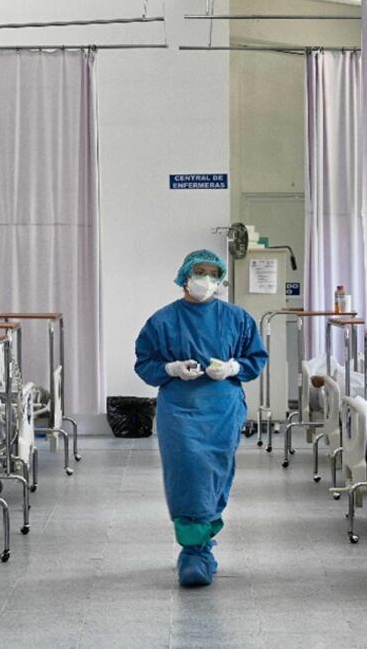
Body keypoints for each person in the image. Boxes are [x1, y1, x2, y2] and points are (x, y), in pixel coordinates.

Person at [134, 249, 269, 587]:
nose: (206, 280)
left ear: (220, 279)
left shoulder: (236, 318)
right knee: (187, 470)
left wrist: (233, 367)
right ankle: (193, 551)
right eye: (200, 273)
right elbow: (144, 362)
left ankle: (204, 544)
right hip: (179, 410)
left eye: (213, 274)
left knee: (214, 473)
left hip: (223, 408)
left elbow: (256, 357)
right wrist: (171, 368)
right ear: (185, 277)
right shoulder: (163, 320)